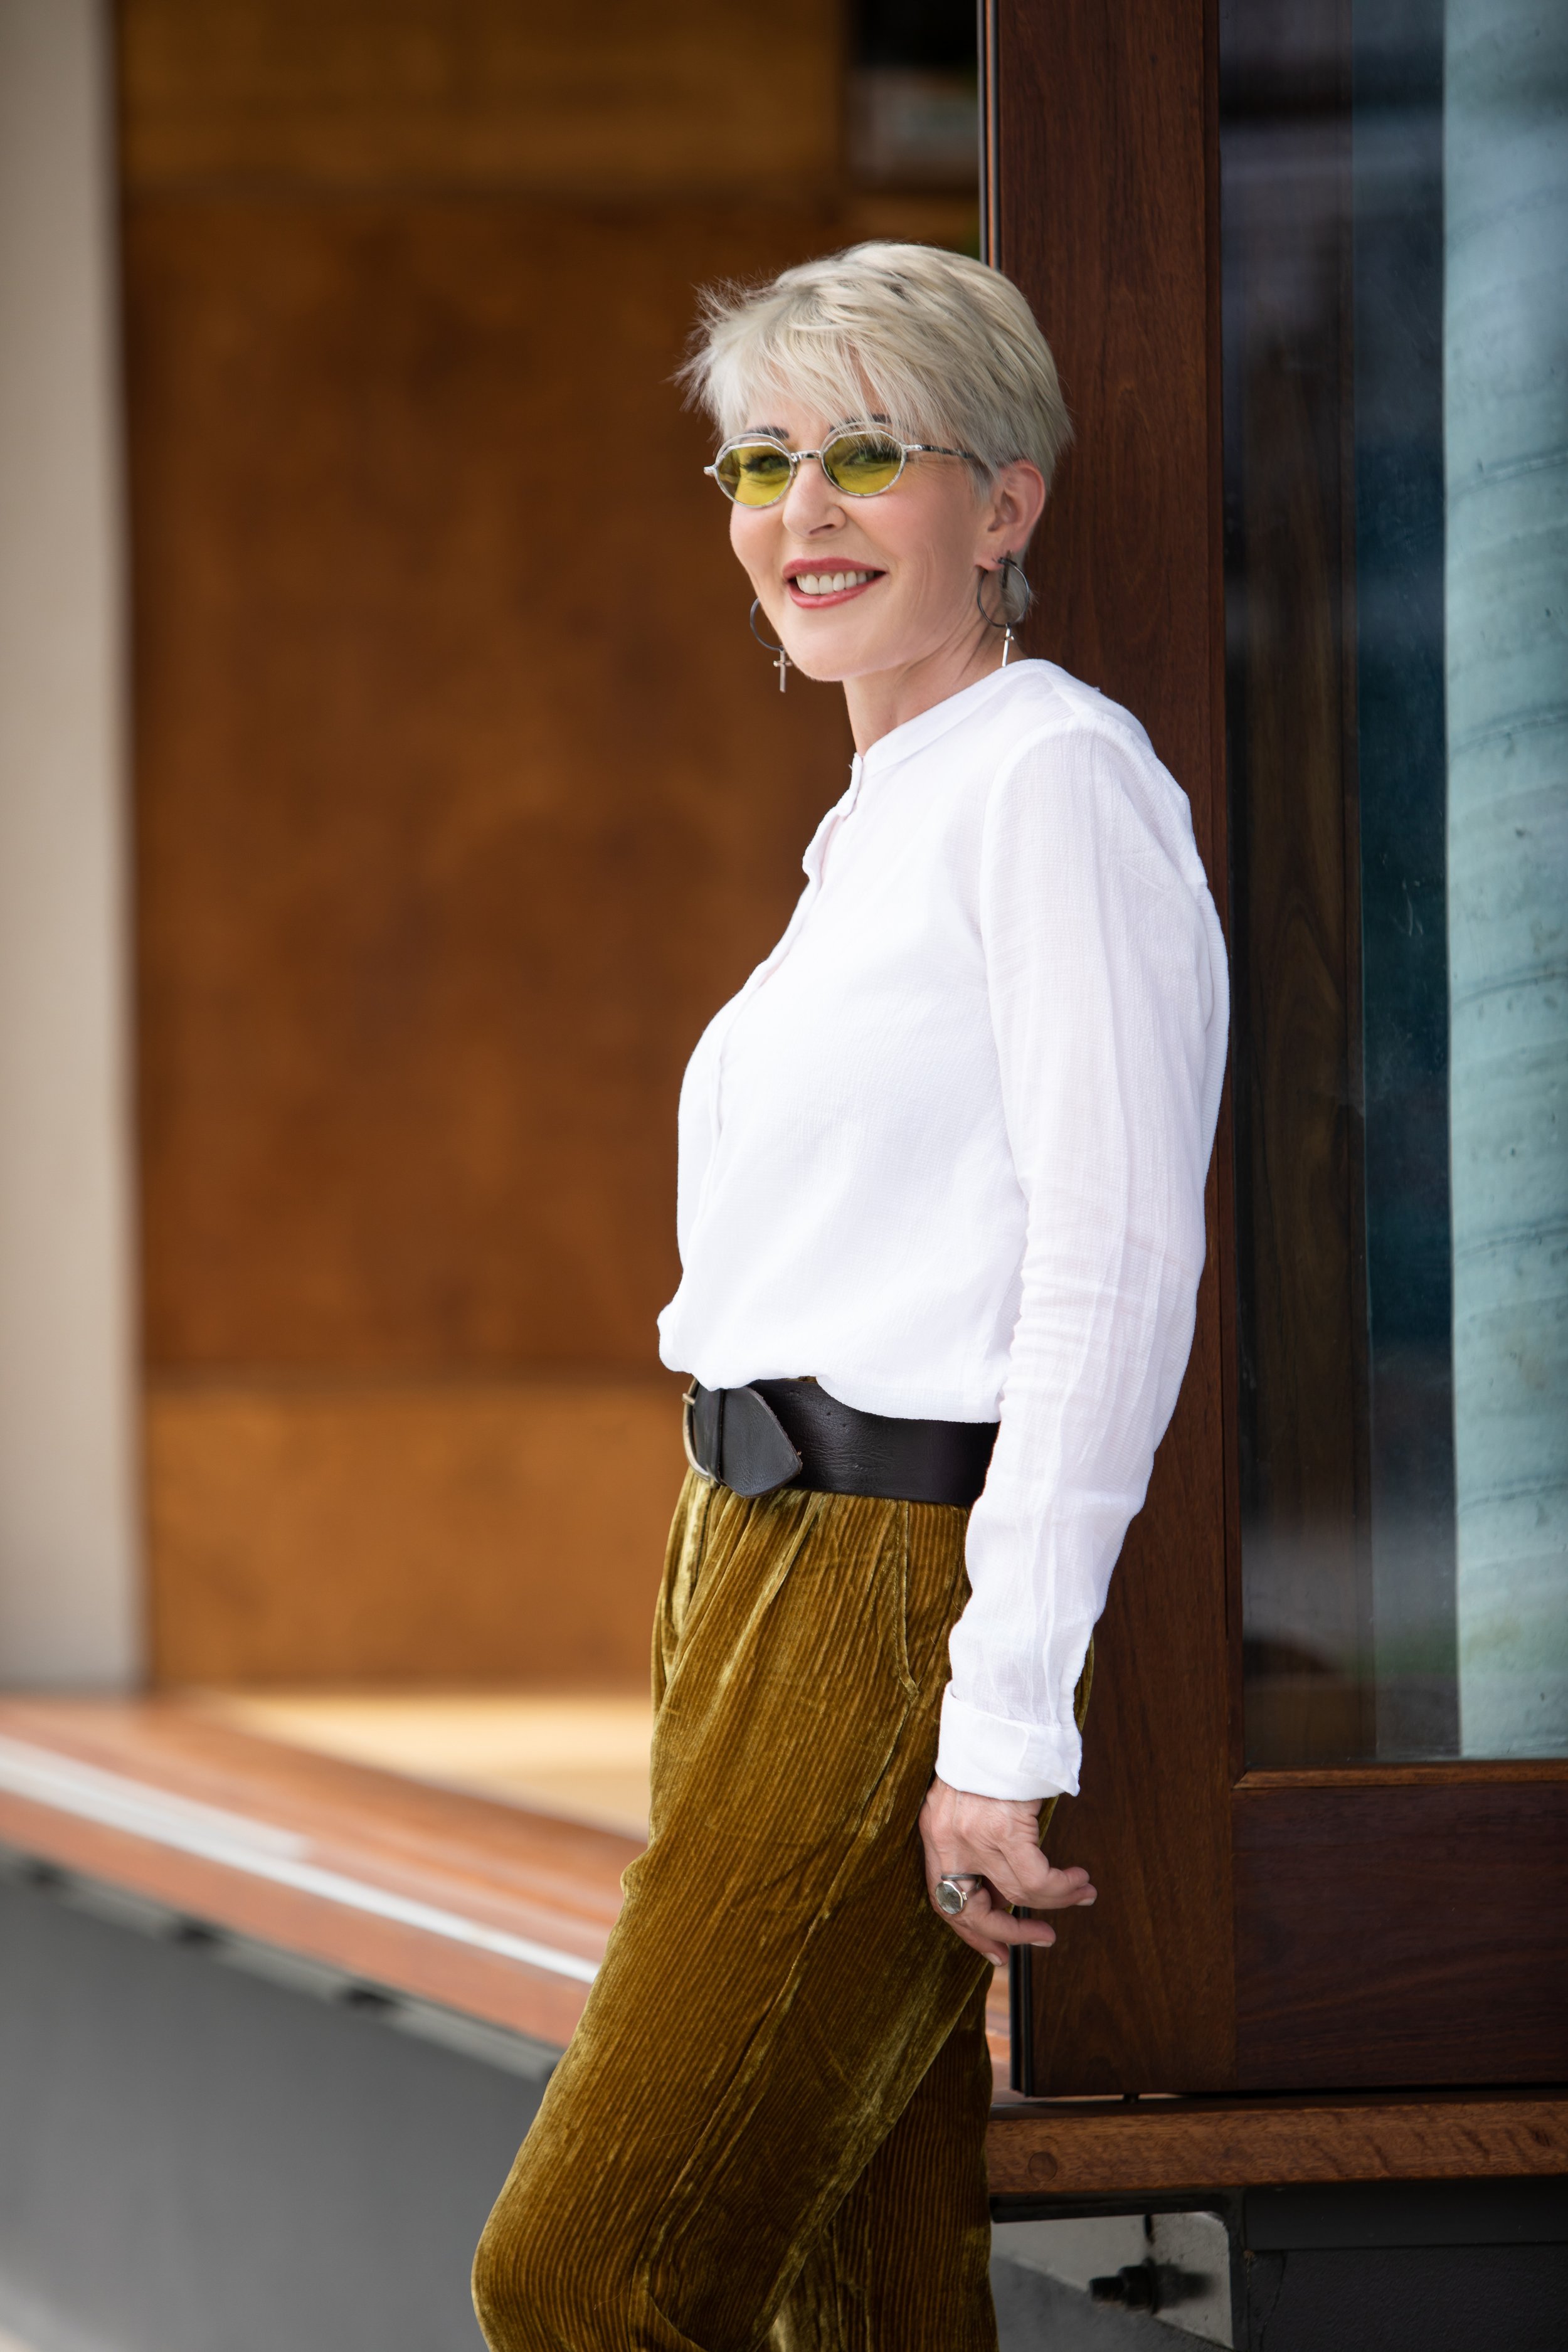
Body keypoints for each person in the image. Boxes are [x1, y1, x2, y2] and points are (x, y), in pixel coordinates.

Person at [473, 241, 1228, 2352]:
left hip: (886, 1571)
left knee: (592, 2275)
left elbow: (1115, 1255)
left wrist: (1000, 1720)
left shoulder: (1050, 782)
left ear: (1005, 506)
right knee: (860, 2288)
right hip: (745, 1555)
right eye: (760, 460)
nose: (800, 513)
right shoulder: (884, 812)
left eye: (870, 455)